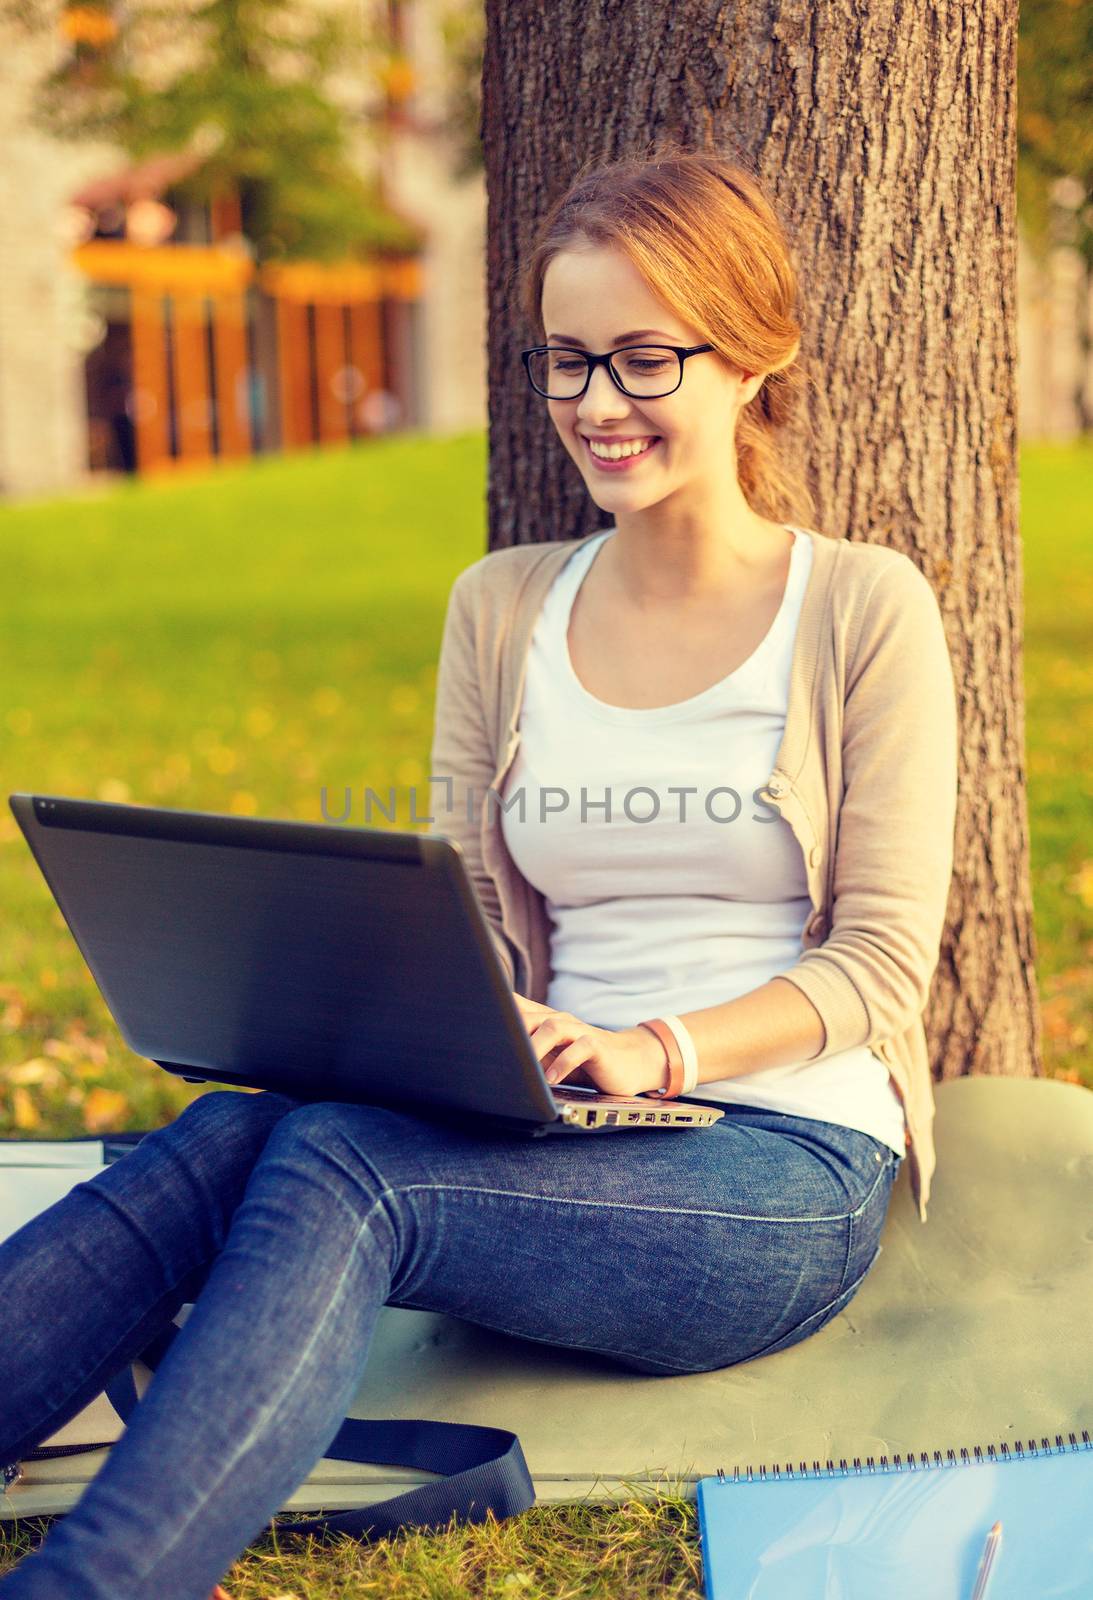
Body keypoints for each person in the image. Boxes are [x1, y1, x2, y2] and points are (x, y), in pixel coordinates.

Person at [0, 145, 957, 1599]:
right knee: (237, 1133)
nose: (594, 406)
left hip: (777, 1163)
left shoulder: (858, 607)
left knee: (339, 1165)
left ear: (754, 359)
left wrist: (654, 1048)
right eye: (566, 362)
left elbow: (881, 963)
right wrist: (428, 1017)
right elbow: (480, 932)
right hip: (553, 1129)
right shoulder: (502, 606)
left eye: (643, 360)